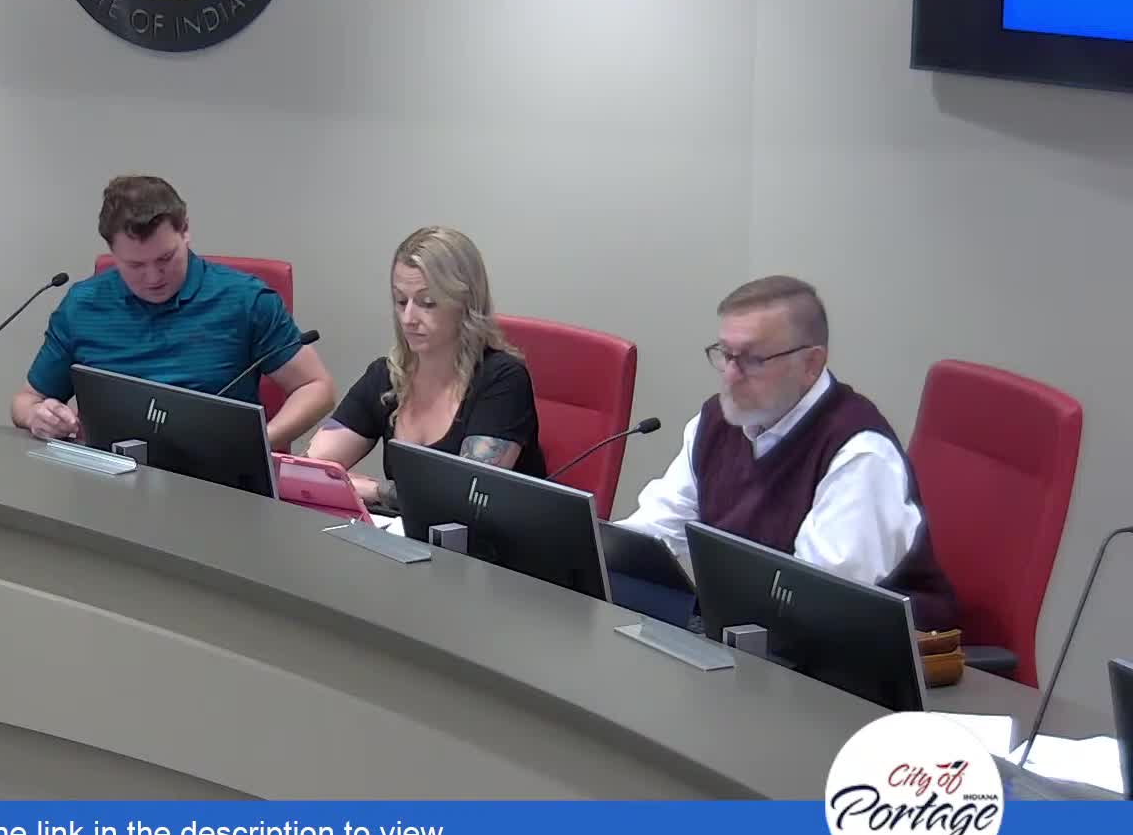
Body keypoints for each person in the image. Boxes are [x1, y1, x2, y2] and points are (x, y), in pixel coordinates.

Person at [617, 275, 958, 629]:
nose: (731, 376)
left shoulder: (860, 451)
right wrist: (606, 552)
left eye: (752, 359)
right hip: (754, 637)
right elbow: (655, 529)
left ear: (811, 364)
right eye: (726, 354)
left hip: (868, 653)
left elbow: (812, 602)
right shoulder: (717, 422)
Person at [13, 175, 336, 447]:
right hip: (108, 474)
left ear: (185, 231)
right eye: (135, 265)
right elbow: (26, 401)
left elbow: (315, 387)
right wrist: (38, 417)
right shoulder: (82, 305)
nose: (153, 277)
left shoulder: (246, 301)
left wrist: (260, 443)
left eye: (165, 259)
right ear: (112, 251)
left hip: (213, 479)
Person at [306, 226, 545, 510]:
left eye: (427, 303)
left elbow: (467, 498)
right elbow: (309, 470)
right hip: (408, 533)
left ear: (465, 304)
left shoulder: (502, 380)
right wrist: (383, 493)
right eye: (400, 301)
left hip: (490, 539)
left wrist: (378, 490)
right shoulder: (386, 376)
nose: (408, 318)